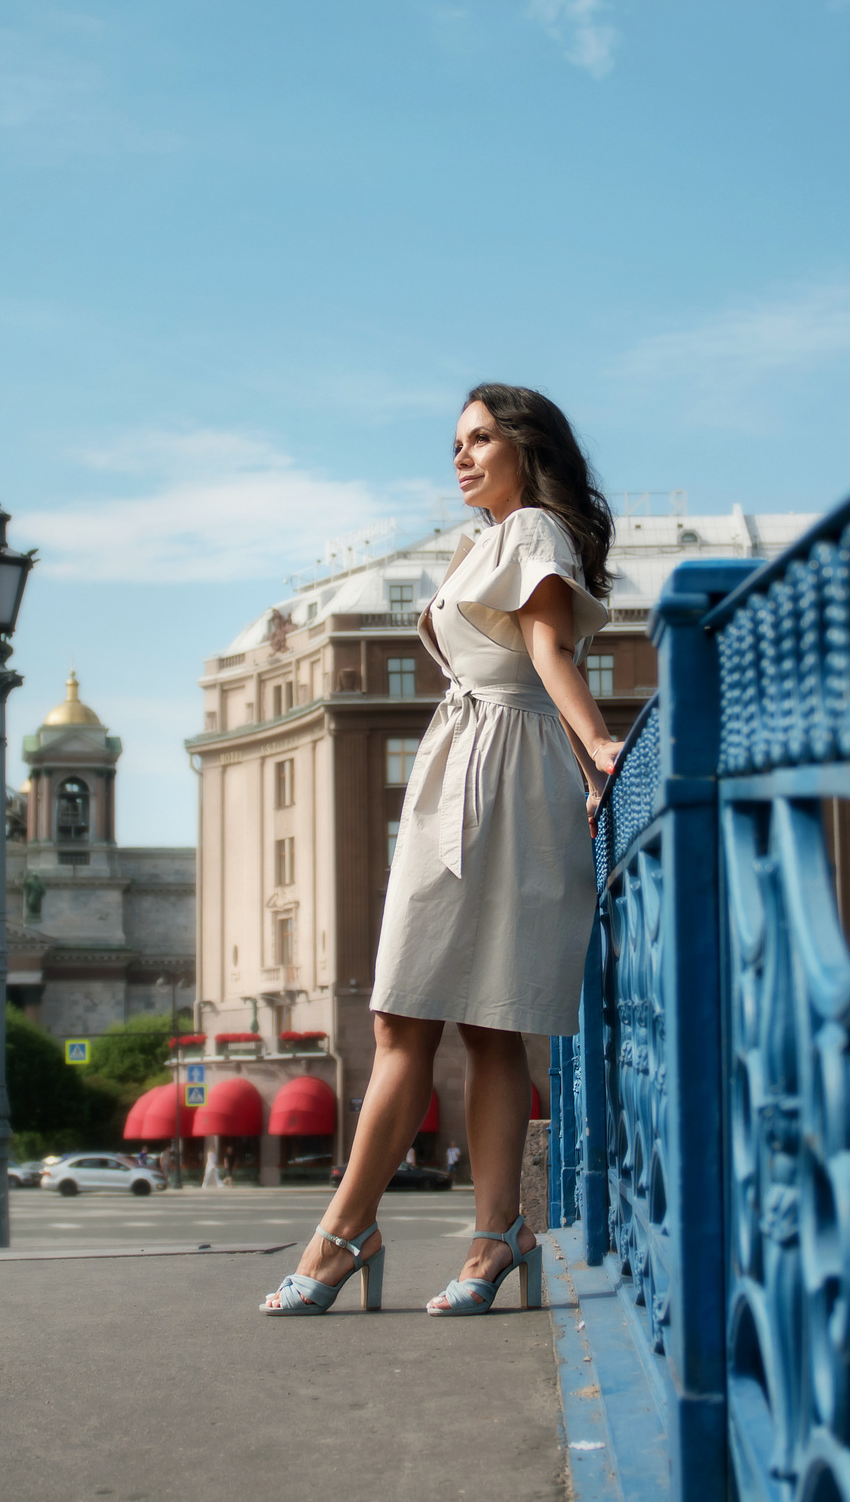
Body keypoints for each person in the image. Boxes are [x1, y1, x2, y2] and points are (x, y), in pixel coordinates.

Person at [261, 385, 621, 1319]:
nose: (461, 458)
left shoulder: (535, 529)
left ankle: (408, 1233)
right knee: (408, 1017)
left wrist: (601, 747)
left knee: (471, 1023)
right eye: (454, 442)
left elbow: (548, 650)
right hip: (464, 766)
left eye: (480, 439)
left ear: (523, 447)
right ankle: (422, 1231)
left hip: (503, 770)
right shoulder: (485, 541)